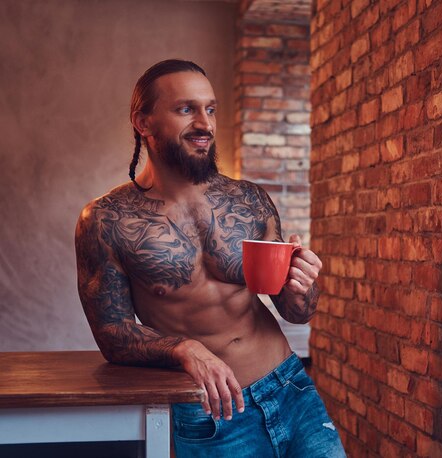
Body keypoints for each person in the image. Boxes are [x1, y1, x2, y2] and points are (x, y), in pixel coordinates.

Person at [75, 59, 346, 457]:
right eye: (186, 109)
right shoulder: (106, 219)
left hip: (290, 388)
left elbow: (297, 312)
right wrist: (186, 348)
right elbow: (112, 334)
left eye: (211, 109)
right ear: (143, 123)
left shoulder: (250, 199)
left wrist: (303, 284)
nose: (205, 123)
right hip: (210, 409)